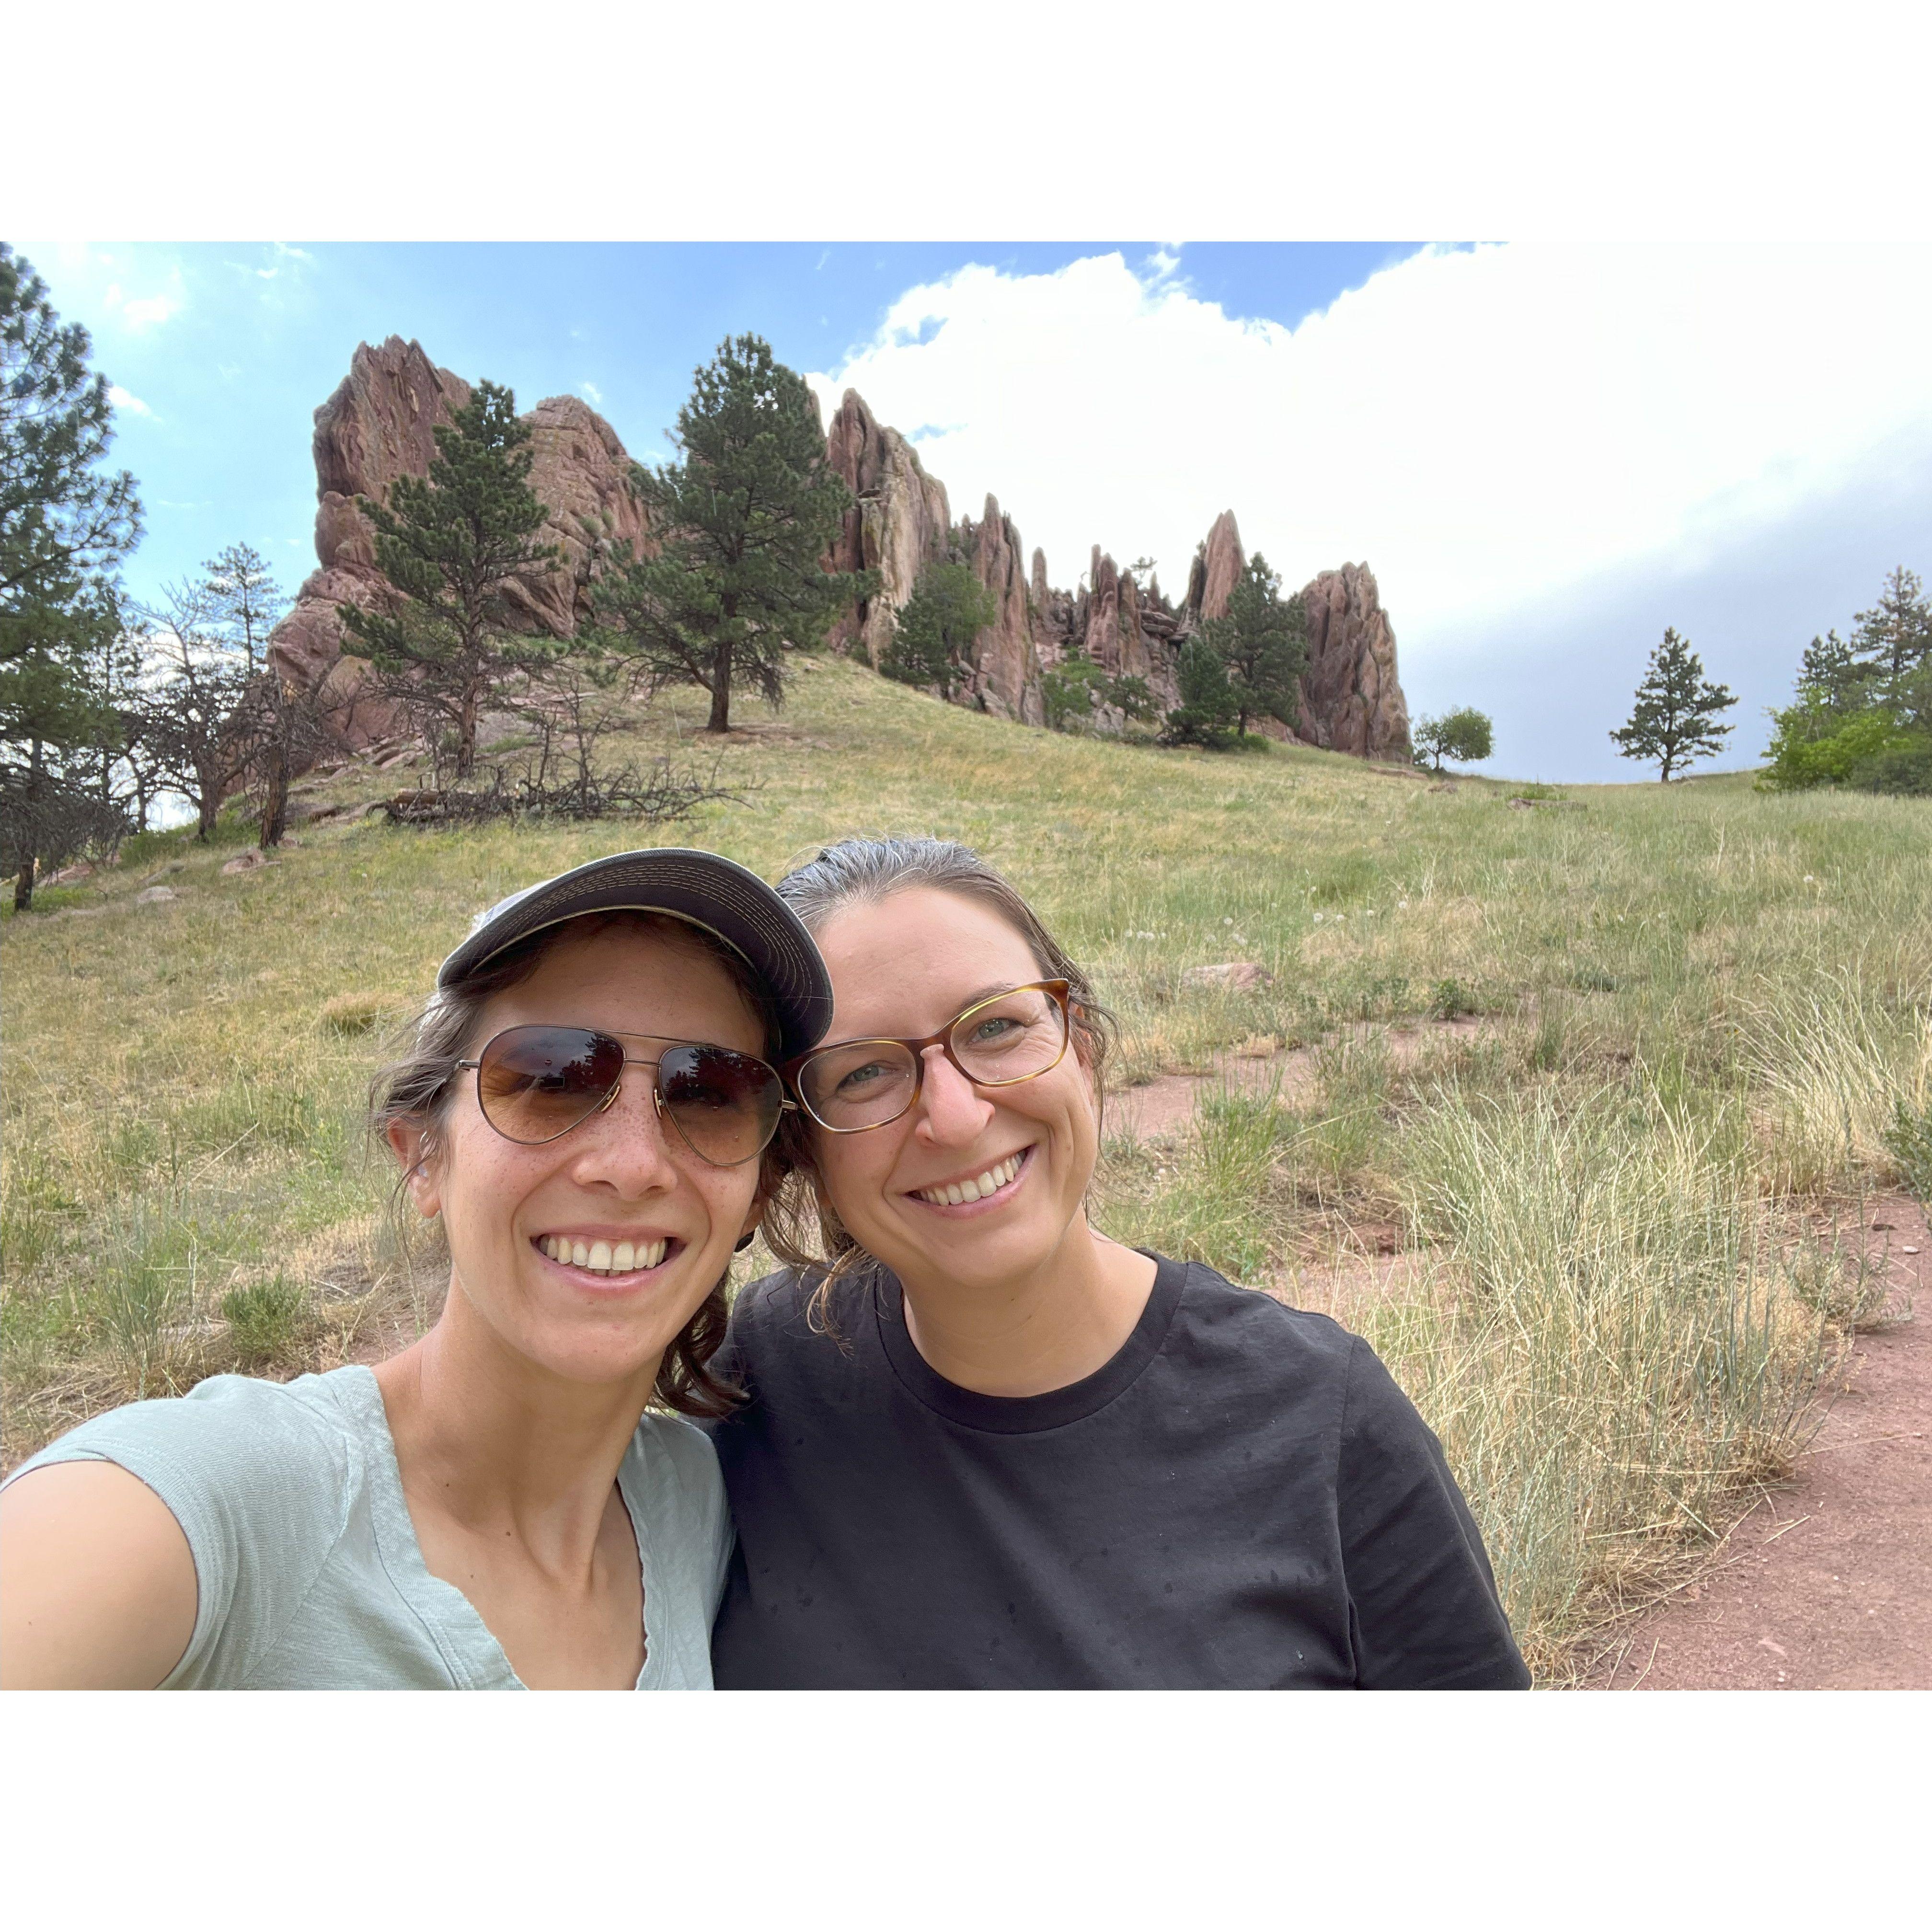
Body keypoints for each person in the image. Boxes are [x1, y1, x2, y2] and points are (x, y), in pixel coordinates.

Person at [708, 836, 1531, 1690]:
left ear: (1083, 1048)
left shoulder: (1322, 1421)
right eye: (864, 1073)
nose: (952, 1119)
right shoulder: (759, 1383)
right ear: (804, 1147)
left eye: (996, 1027)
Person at [0, 849, 831, 1690]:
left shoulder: (698, 1500)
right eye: (552, 1076)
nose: (631, 1164)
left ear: (758, 1193)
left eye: (709, 1091)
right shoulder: (217, 1507)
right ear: (423, 1155)